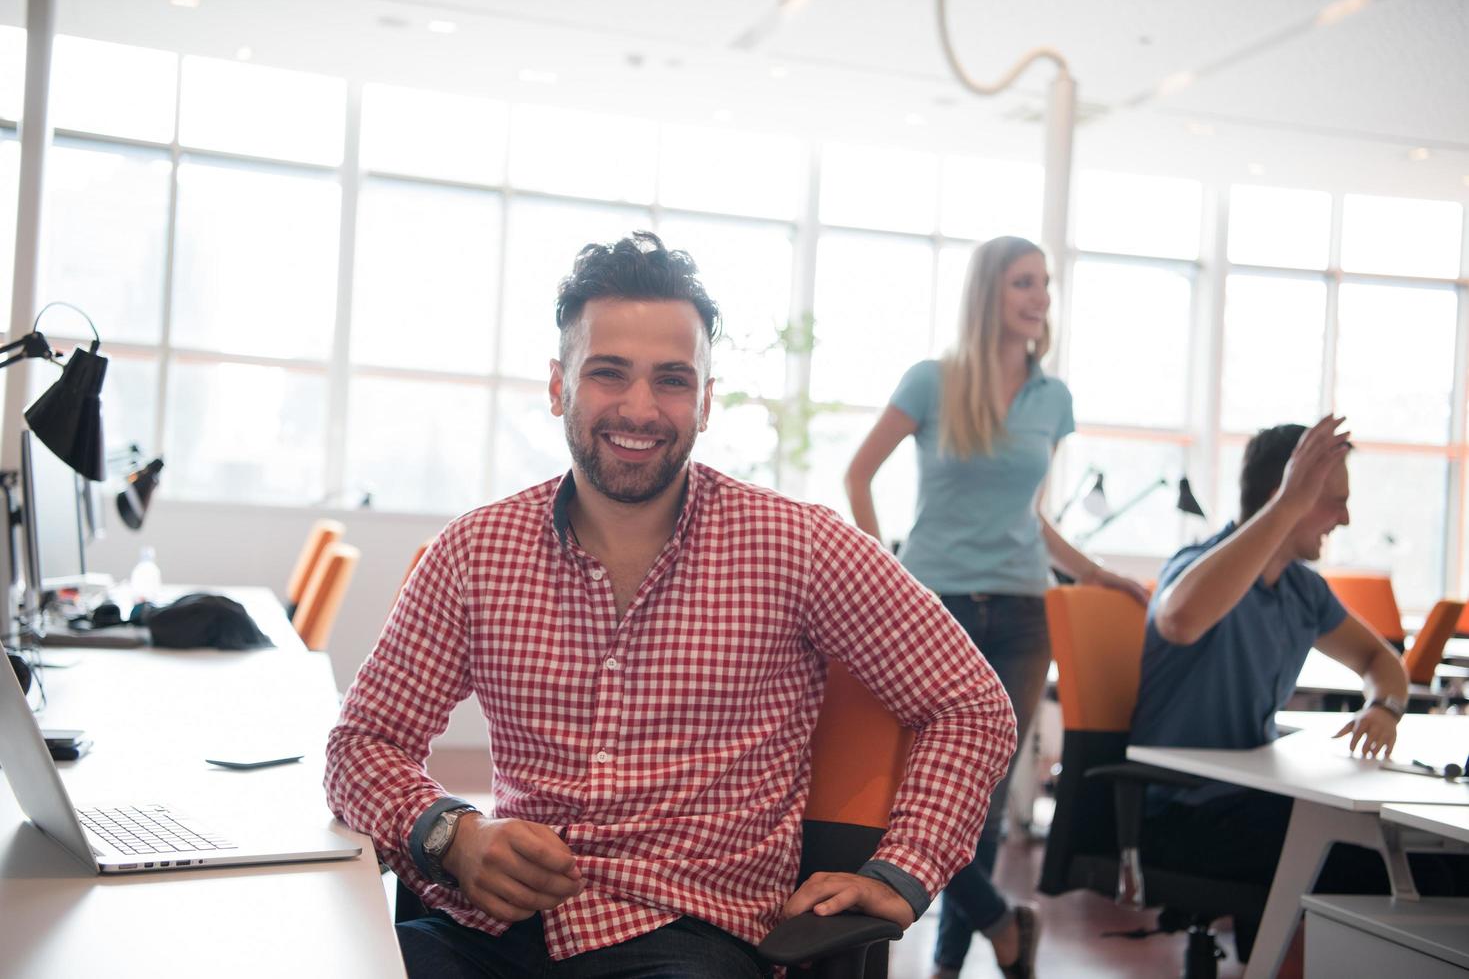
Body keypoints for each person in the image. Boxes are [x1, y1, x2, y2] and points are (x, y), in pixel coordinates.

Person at [324, 231, 1018, 979]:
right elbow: (361, 742)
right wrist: (450, 837)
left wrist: (900, 871)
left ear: (705, 402)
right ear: (559, 386)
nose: (639, 407)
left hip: (687, 938)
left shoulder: (799, 546)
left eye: (672, 380)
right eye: (608, 373)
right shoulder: (475, 551)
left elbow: (971, 707)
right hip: (494, 929)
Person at [845, 235, 1148, 979]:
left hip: (1021, 610)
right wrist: (883, 568)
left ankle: (950, 964)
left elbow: (1031, 519)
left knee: (977, 796)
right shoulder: (931, 381)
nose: (1039, 296)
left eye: (1044, 282)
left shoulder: (1053, 398)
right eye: (1022, 282)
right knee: (910, 793)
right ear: (989, 292)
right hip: (932, 604)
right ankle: (998, 923)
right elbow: (858, 476)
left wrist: (1097, 574)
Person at [1131, 415, 1411, 962]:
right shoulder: (1198, 566)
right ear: (1285, 493)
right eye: (1332, 499)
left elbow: (1382, 659)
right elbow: (1181, 620)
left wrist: (1384, 707)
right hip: (1183, 815)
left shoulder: (1303, 591)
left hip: (1250, 802)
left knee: (1424, 860)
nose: (1345, 517)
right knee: (1371, 863)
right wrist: (1285, 505)